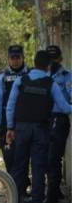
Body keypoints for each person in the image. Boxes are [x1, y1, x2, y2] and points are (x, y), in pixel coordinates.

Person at [6, 50, 72, 203]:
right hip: (41, 131)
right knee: (39, 168)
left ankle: (16, 198)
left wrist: (10, 128)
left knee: (19, 166)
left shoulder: (21, 81)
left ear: (33, 63)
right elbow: (63, 107)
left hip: (21, 129)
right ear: (48, 66)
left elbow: (10, 106)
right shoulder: (51, 83)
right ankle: (37, 199)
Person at [0, 45, 29, 173]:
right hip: (6, 122)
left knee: (23, 156)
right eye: (12, 58)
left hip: (25, 121)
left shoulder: (29, 74)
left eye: (17, 57)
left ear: (22, 57)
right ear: (8, 59)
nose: (15, 60)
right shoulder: (3, 76)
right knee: (9, 156)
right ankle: (13, 186)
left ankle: (22, 187)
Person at [45, 45, 72, 203]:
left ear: (60, 59)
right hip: (44, 120)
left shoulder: (67, 76)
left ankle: (52, 195)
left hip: (60, 120)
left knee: (54, 157)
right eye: (50, 59)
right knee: (46, 157)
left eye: (55, 58)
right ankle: (54, 190)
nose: (52, 62)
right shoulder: (42, 76)